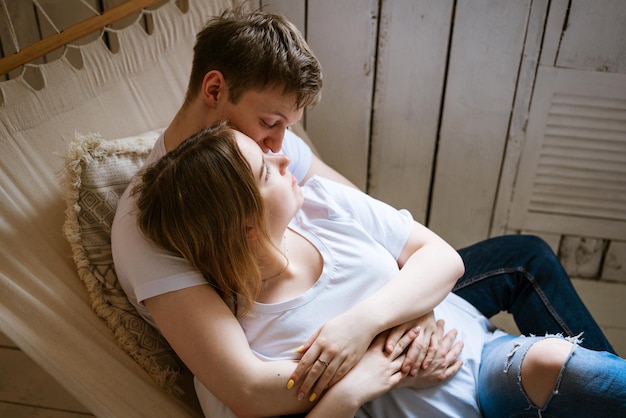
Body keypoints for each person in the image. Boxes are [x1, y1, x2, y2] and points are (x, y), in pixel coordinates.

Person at [111, 6, 614, 416]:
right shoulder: (154, 225)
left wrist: (417, 313)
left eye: (288, 127)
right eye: (270, 124)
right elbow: (245, 385)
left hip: (389, 319)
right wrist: (380, 354)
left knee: (526, 260)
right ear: (215, 91)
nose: (283, 147)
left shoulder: (267, 154)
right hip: (341, 349)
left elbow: (377, 231)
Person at [132, 124, 626, 418]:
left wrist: (370, 324)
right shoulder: (249, 344)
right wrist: (355, 386)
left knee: (552, 363)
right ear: (245, 229)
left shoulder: (322, 205)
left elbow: (443, 260)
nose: (284, 156)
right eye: (266, 168)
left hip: (483, 361)